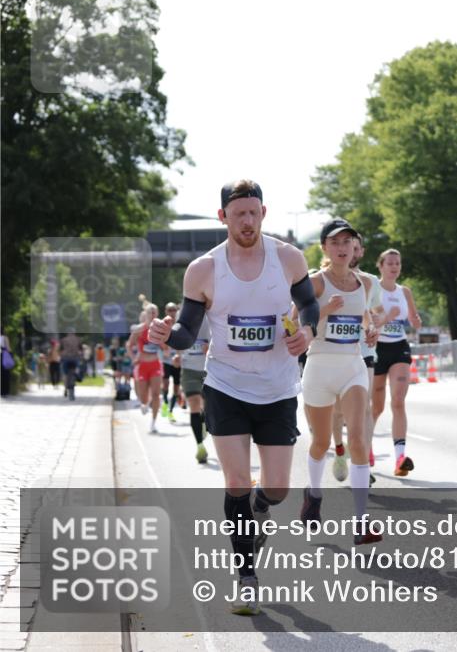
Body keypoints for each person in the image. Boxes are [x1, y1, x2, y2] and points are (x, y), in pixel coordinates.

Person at [148, 179, 317, 617]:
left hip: (278, 386)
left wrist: (310, 332)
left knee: (277, 487)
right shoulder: (204, 270)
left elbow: (309, 304)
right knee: (237, 481)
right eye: (238, 213)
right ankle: (246, 578)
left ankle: (261, 509)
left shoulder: (288, 258)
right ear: (222, 216)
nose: (247, 220)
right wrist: (170, 337)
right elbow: (187, 330)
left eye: (253, 212)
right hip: (225, 385)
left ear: (264, 213)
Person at [297, 218, 380, 543]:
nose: (343, 248)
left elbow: (366, 318)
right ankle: (313, 494)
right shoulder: (315, 283)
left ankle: (361, 522)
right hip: (318, 367)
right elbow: (293, 322)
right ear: (325, 248)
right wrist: (324, 310)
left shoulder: (366, 284)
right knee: (320, 442)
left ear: (354, 248)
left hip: (352, 366)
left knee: (358, 439)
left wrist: (371, 330)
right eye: (336, 243)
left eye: (348, 242)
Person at [330, 235, 382, 484]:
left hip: (364, 353)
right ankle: (340, 449)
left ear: (359, 252)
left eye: (354, 247)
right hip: (335, 355)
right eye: (342, 245)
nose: (349, 250)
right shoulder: (323, 278)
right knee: (337, 411)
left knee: (365, 408)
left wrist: (373, 327)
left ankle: (363, 459)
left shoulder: (370, 282)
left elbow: (373, 313)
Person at [371, 248, 421, 477]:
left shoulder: (405, 292)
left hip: (399, 348)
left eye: (397, 263)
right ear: (380, 266)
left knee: (398, 401)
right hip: (377, 348)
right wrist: (386, 318)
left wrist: (415, 320)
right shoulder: (373, 288)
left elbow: (414, 320)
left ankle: (400, 457)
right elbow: (369, 320)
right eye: (389, 263)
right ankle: (365, 446)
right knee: (376, 406)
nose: (394, 267)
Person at [179, 309, 212, 465]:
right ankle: (200, 446)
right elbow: (177, 339)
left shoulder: (215, 310)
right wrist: (176, 355)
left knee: (207, 409)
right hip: (189, 370)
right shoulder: (184, 312)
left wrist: (211, 348)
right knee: (193, 404)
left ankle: (204, 422)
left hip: (209, 370)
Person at [128, 303, 164, 432]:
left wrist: (165, 347)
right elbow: (129, 345)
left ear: (157, 314)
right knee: (143, 395)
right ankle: (144, 403)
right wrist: (133, 359)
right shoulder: (139, 330)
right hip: (142, 365)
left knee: (156, 394)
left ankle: (153, 423)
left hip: (155, 364)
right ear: (146, 314)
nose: (152, 314)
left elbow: (165, 348)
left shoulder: (160, 329)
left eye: (154, 312)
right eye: (150, 312)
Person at [160, 302, 182, 421]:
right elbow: (159, 339)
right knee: (166, 383)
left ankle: (171, 411)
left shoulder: (179, 325)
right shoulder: (163, 324)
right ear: (166, 311)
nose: (172, 312)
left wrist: (178, 355)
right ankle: (164, 403)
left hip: (177, 361)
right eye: (170, 310)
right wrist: (165, 348)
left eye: (174, 310)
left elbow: (182, 341)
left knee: (177, 388)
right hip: (166, 360)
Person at [60, 329, 81, 401]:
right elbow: (80, 349)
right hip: (75, 358)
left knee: (65, 374)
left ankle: (66, 387)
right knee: (78, 368)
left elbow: (60, 350)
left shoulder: (63, 340)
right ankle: (78, 376)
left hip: (66, 358)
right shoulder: (78, 339)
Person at [1, 332, 14, 397]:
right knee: (5, 375)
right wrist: (11, 355)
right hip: (3, 356)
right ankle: (4, 392)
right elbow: (8, 348)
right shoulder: (4, 337)